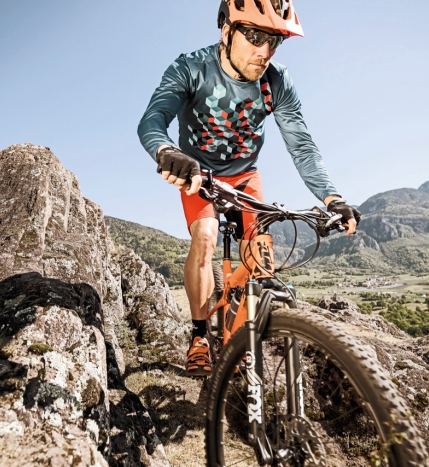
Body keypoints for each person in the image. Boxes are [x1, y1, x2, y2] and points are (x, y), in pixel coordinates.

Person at [137, 0, 361, 377]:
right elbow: (153, 119)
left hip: (245, 177)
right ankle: (199, 336)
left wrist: (333, 198)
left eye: (274, 40)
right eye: (255, 36)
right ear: (227, 30)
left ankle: (241, 337)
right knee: (205, 237)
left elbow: (301, 145)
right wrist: (167, 152)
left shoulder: (276, 82)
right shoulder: (191, 68)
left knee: (261, 260)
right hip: (199, 175)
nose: (265, 51)